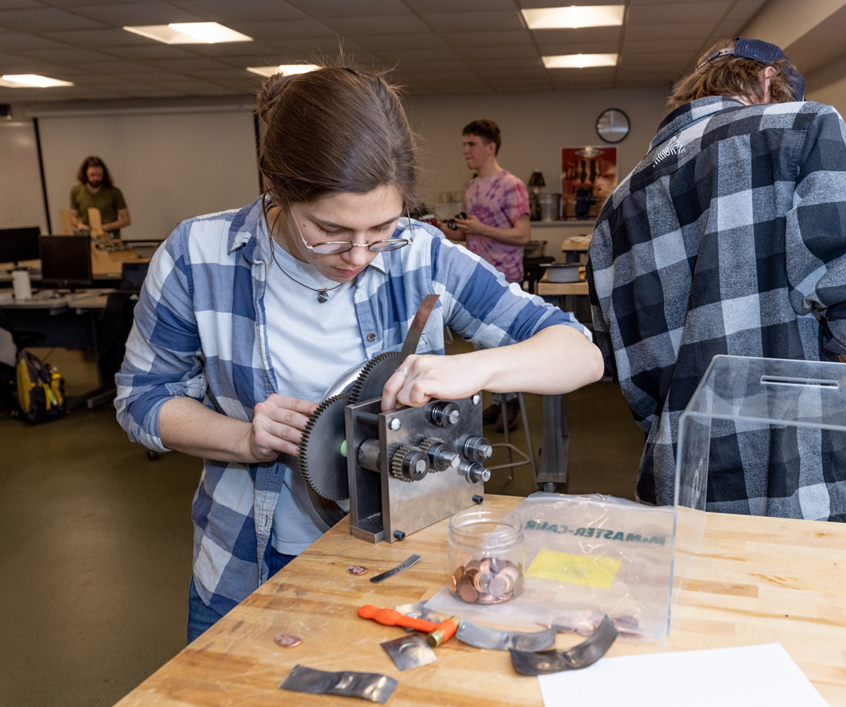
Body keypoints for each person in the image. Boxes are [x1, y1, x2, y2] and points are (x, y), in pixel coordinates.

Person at [115, 63, 603, 643]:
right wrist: (241, 438)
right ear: (277, 185)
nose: (359, 255)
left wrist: (468, 367)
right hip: (248, 567)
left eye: (382, 229)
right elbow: (142, 399)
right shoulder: (199, 257)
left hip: (405, 567)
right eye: (329, 231)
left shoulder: (421, 254)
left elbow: (581, 353)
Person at [587, 37, 846, 516]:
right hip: (792, 476)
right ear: (765, 80)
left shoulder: (615, 208)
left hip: (677, 475)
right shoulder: (805, 125)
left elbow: (622, 370)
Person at [439, 119, 531, 430]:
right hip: (475, 279)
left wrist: (478, 227)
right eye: (464, 144)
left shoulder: (512, 185)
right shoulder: (472, 187)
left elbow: (522, 235)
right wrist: (447, 232)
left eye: (471, 144)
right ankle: (496, 403)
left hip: (504, 279)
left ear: (490, 148)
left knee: (503, 349)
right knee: (482, 346)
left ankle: (512, 405)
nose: (464, 150)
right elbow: (474, 238)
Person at [70, 156, 131, 237]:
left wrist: (105, 227)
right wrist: (79, 225)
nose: (96, 178)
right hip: (87, 237)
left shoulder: (114, 192)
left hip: (109, 237)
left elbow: (126, 220)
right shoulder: (76, 191)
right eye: (92, 175)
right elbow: (73, 216)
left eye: (99, 175)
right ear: (85, 173)